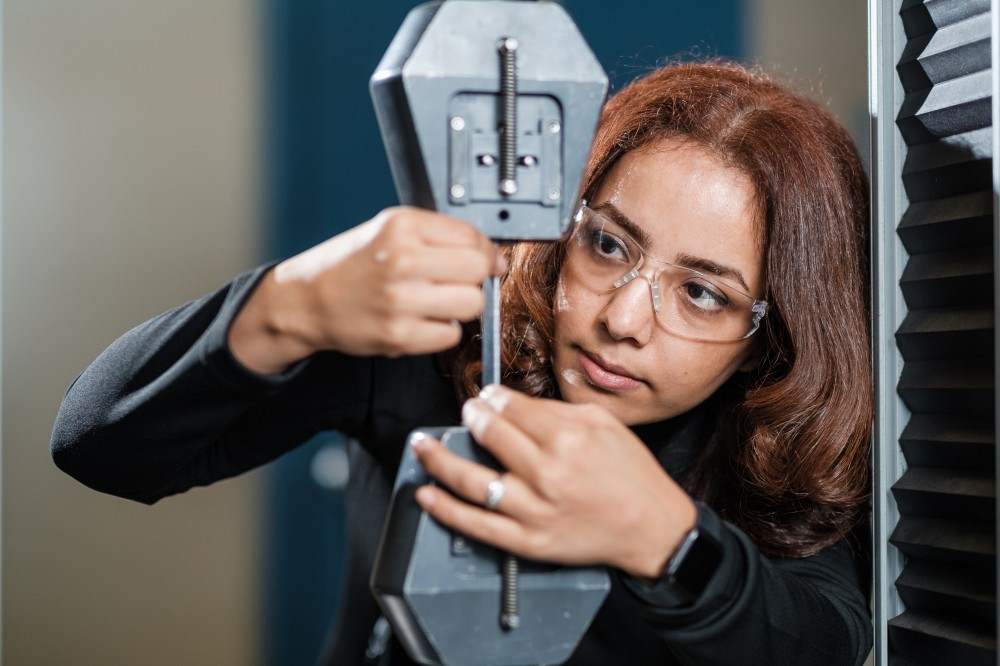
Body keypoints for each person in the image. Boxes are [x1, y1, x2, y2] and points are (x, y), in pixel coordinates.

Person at [52, 59, 873, 665]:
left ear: (771, 334)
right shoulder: (440, 342)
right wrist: (286, 303)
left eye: (703, 294)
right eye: (609, 243)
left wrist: (663, 540)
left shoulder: (778, 458)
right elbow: (99, 445)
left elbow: (828, 643)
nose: (622, 318)